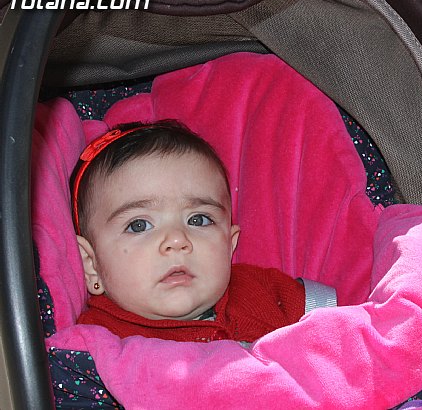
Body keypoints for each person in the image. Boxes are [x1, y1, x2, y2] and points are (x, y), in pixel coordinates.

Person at [73, 120, 334, 343]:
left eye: (198, 220)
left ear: (229, 245)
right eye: (139, 225)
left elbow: (340, 331)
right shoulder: (97, 346)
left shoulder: (266, 293)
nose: (177, 240)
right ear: (92, 265)